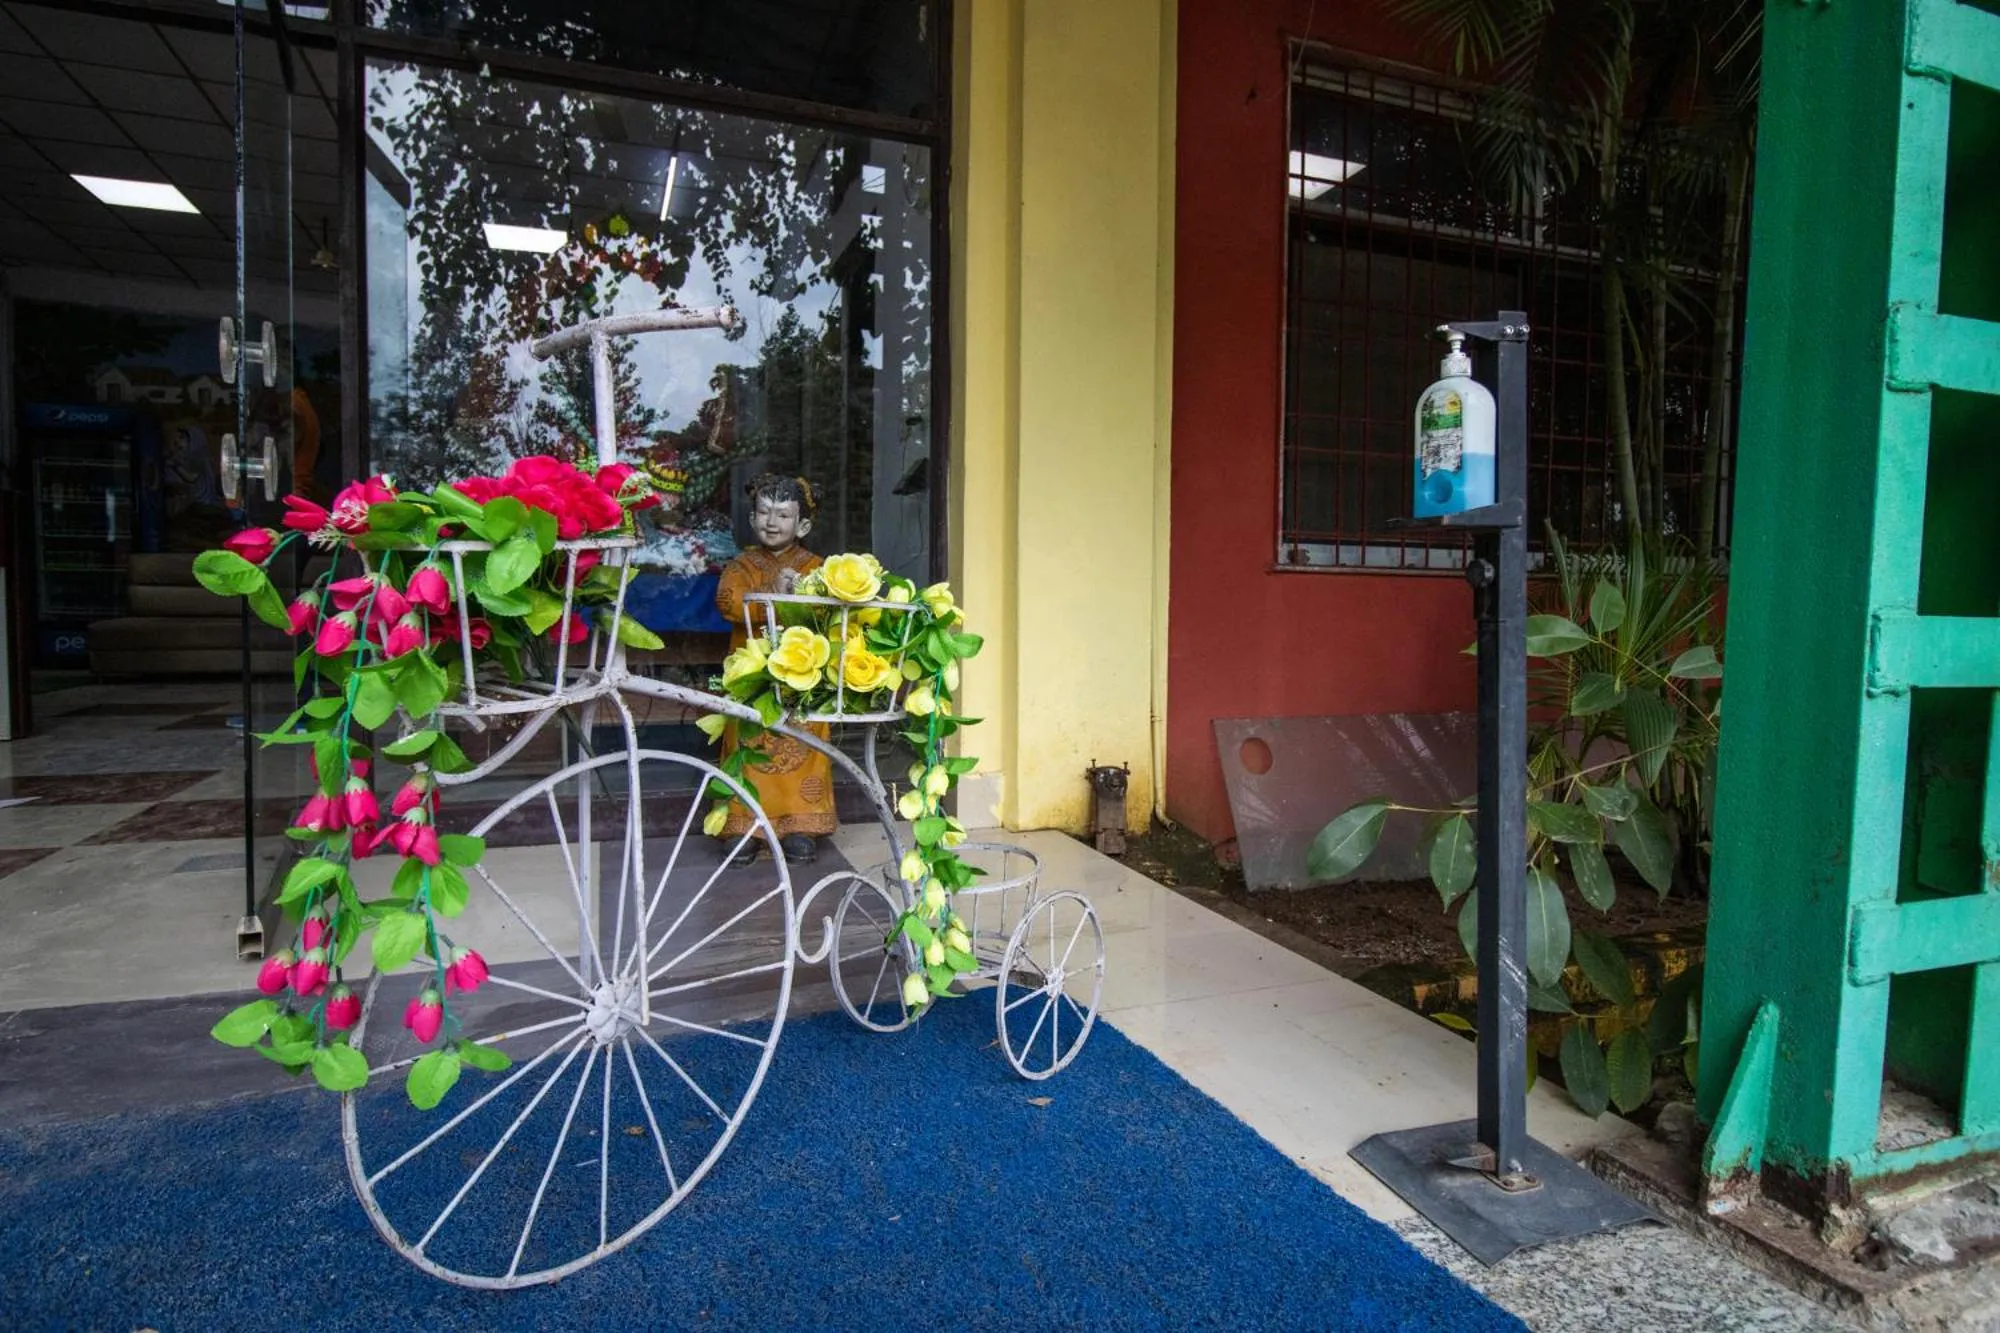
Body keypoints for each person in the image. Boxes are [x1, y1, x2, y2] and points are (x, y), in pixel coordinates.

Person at [713, 474, 834, 863]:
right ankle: (744, 823)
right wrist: (776, 599)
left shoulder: (817, 567)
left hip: (803, 676)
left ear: (803, 526)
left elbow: (827, 612)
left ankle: (802, 825)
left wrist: (798, 595)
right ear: (752, 518)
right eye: (764, 512)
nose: (771, 521)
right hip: (750, 677)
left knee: (804, 742)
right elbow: (729, 603)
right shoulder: (742, 565)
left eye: (783, 514)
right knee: (747, 742)